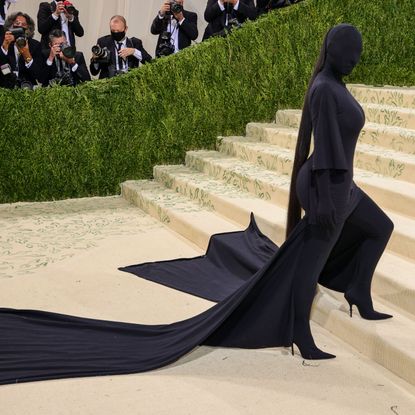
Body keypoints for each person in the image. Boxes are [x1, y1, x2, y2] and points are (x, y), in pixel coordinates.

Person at [0, 24, 395, 386]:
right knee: (304, 268)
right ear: (335, 50)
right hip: (329, 185)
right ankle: (299, 333)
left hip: (342, 183)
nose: (357, 56)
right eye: (352, 49)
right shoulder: (326, 87)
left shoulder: (335, 85)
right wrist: (326, 202)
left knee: (380, 227)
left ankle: (357, 289)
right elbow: (325, 148)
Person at [90, 15, 152, 79]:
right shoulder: (103, 42)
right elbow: (94, 72)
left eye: (118, 31)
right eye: (113, 31)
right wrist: (95, 60)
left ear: (125, 29)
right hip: (108, 83)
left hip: (130, 83)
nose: (116, 33)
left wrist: (134, 51)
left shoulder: (135, 43)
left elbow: (149, 62)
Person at [0, 11, 45, 89]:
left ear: (28, 29)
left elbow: (39, 75)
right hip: (5, 88)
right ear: (10, 27)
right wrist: (4, 47)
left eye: (23, 25)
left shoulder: (35, 45)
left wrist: (27, 55)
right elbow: (2, 66)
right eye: (17, 24)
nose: (20, 27)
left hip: (27, 88)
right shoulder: (3, 42)